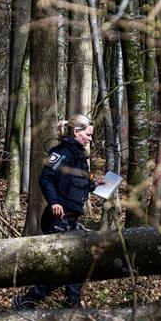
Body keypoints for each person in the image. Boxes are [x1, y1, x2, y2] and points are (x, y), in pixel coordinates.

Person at [12, 114, 100, 310]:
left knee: (77, 261)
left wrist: (96, 184)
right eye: (88, 134)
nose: (90, 139)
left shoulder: (80, 157)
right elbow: (45, 178)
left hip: (71, 218)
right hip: (57, 218)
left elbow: (80, 183)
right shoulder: (59, 153)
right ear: (77, 132)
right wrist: (54, 202)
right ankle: (29, 300)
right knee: (70, 264)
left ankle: (71, 304)